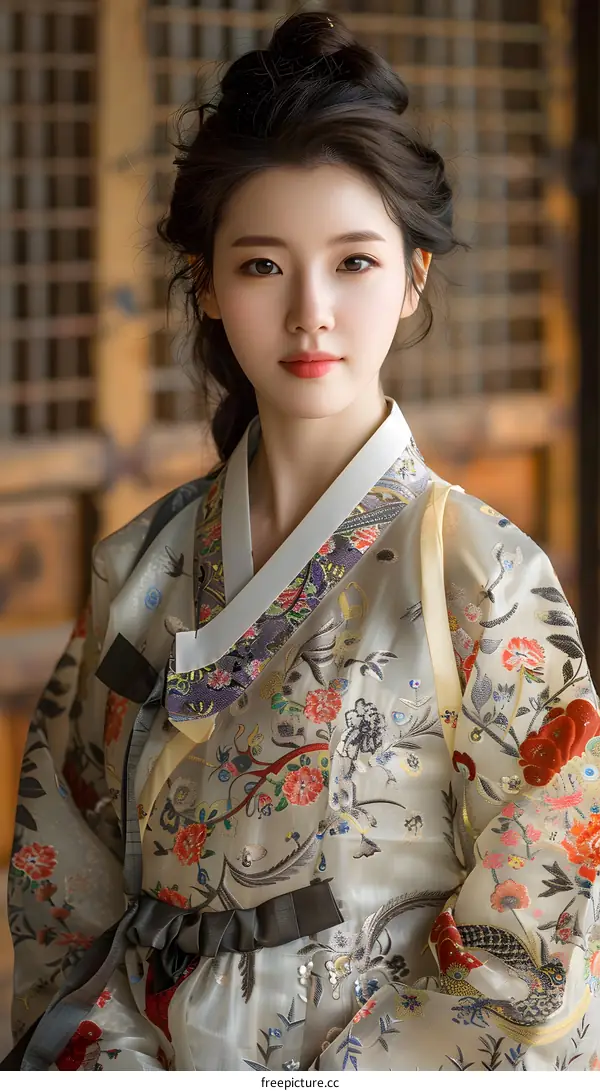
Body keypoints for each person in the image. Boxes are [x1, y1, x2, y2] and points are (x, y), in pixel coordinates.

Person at [5, 9, 600, 1073]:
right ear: (207, 281)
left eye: (356, 263)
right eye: (265, 266)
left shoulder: (482, 573)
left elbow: (533, 930)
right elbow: (65, 878)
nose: (310, 313)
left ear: (414, 274)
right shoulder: (137, 569)